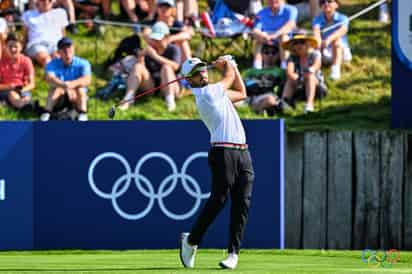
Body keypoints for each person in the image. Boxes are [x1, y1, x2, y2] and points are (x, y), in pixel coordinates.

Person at [179, 55, 255, 270]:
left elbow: (242, 93)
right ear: (189, 80)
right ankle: (191, 240)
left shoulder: (217, 92)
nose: (201, 73)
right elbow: (229, 76)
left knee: (242, 203)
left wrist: (235, 66)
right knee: (219, 200)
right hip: (223, 151)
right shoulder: (207, 94)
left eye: (202, 69)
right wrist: (229, 64)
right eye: (195, 72)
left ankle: (233, 253)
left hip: (243, 152)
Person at [120, 21, 181, 111]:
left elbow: (175, 66)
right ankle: (128, 98)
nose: (155, 42)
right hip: (151, 86)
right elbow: (141, 70)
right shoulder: (150, 48)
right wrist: (141, 56)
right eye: (154, 39)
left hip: (170, 86)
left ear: (166, 37)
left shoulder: (173, 49)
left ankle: (170, 102)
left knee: (166, 67)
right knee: (138, 66)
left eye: (158, 40)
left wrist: (156, 56)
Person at [40, 37, 91, 121]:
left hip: (76, 95)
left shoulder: (84, 63)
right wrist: (64, 86)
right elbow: (49, 78)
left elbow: (87, 80)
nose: (67, 50)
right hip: (61, 94)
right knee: (55, 90)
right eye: (64, 48)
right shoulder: (52, 63)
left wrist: (70, 85)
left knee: (80, 89)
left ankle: (83, 114)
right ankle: (46, 113)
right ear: (59, 52)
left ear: (73, 49)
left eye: (69, 47)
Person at [280, 33, 325, 113]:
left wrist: (310, 70)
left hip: (316, 85)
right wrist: (294, 76)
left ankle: (309, 105)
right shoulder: (292, 57)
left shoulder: (315, 54)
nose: (299, 45)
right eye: (296, 43)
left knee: (310, 76)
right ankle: (284, 103)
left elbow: (316, 65)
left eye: (302, 42)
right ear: (292, 46)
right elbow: (289, 71)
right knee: (289, 80)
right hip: (299, 85)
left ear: (307, 44)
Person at [312, 0, 352, 80]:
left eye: (329, 1)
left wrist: (328, 39)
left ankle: (335, 70)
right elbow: (316, 32)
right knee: (315, 44)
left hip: (342, 52)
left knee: (336, 41)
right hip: (325, 51)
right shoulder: (317, 19)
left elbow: (342, 30)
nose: (326, 3)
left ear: (336, 5)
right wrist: (319, 43)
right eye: (323, 2)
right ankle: (317, 71)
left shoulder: (343, 18)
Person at [252, 0, 297, 69]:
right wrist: (262, 35)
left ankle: (284, 67)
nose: (273, 1)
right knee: (258, 40)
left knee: (283, 37)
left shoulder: (291, 9)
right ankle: (257, 68)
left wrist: (275, 35)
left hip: (284, 38)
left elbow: (290, 25)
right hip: (266, 39)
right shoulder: (261, 13)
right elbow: (255, 30)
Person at [22, 0, 69, 67]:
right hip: (36, 44)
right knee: (46, 60)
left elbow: (63, 33)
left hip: (56, 44)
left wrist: (63, 47)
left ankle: (57, 74)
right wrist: (23, 50)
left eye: (49, 0)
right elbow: (25, 35)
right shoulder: (28, 14)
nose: (46, 2)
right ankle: (53, 75)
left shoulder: (60, 13)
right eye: (43, 0)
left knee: (58, 58)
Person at [0, 33, 36, 111]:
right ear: (5, 47)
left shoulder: (26, 60)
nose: (13, 49)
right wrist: (9, 86)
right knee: (12, 94)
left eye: (16, 46)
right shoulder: (1, 61)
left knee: (25, 96)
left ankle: (23, 104)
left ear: (21, 47)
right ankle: (25, 106)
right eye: (10, 46)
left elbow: (32, 84)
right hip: (5, 90)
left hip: (22, 89)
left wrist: (21, 90)